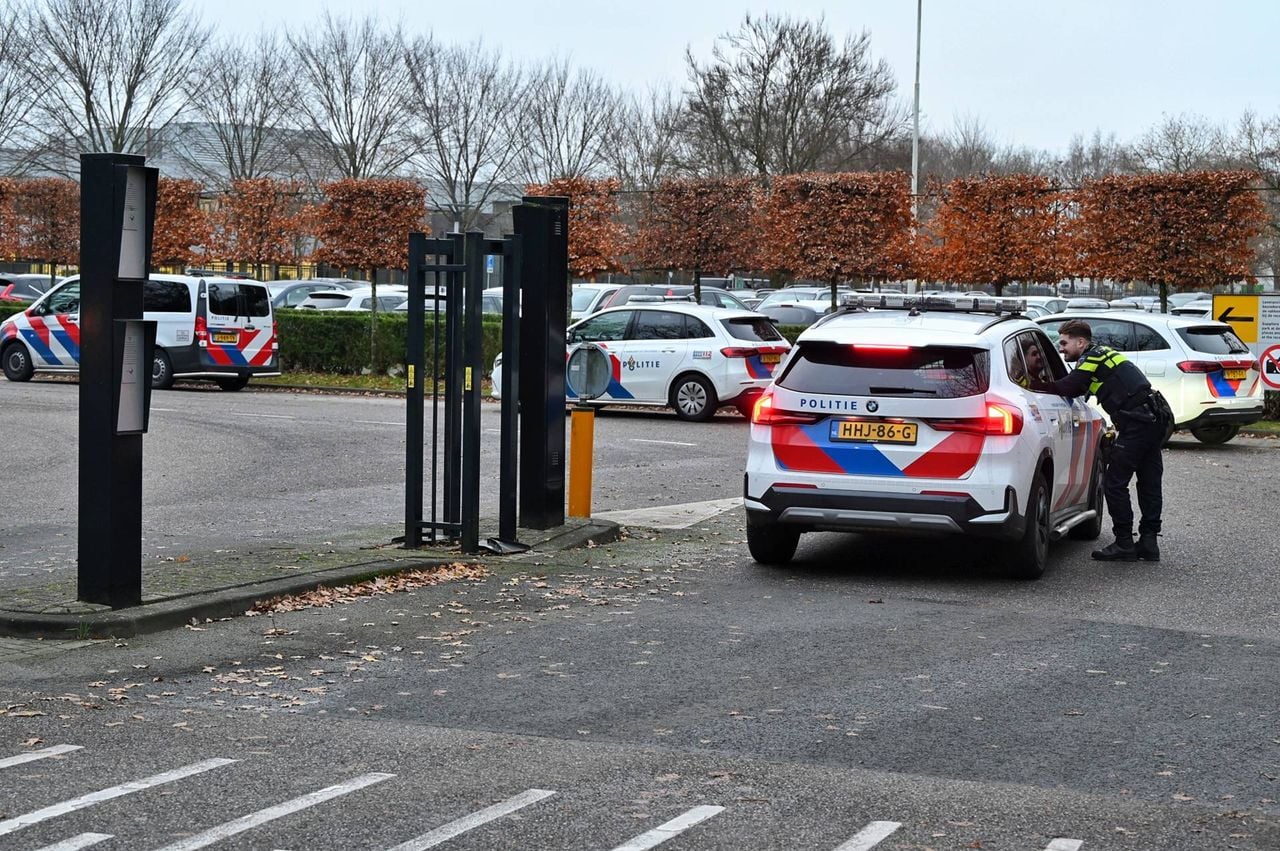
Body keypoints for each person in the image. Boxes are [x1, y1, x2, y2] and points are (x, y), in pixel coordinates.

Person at [1042, 319, 1168, 562]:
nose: (1061, 348)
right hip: (1153, 419)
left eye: (1065, 343)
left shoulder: (1093, 357)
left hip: (1137, 423)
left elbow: (1069, 386)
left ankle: (1124, 543)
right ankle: (1149, 542)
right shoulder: (1103, 355)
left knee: (1113, 483)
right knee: (1149, 481)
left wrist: (1034, 386)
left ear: (1081, 342)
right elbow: (1082, 388)